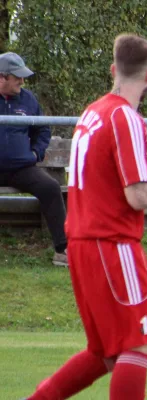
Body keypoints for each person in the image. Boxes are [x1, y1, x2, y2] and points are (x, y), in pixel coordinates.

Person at [23, 34, 147, 400]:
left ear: (112, 69)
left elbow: (109, 182)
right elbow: (137, 196)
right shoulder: (126, 117)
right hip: (112, 246)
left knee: (105, 353)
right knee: (137, 346)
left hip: (82, 243)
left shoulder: (93, 112)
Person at [0, 52, 68, 266]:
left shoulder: (28, 99)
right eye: (17, 77)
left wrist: (35, 153)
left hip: (22, 168)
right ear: (2, 77)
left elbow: (43, 129)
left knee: (50, 187)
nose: (22, 81)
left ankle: (63, 250)